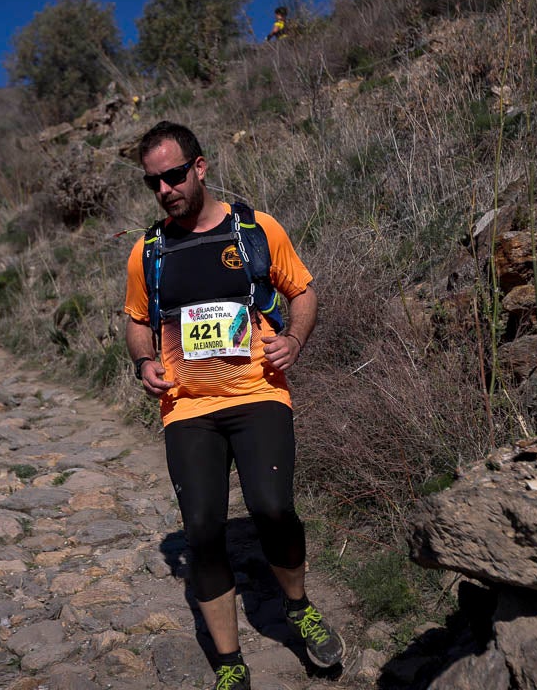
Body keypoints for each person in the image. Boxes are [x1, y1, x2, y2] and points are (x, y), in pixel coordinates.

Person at [124, 121, 343, 690]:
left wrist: (293, 340)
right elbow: (136, 320)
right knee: (201, 528)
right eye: (153, 182)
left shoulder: (256, 229)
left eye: (173, 175)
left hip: (257, 391)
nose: (165, 189)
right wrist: (144, 362)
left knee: (273, 507)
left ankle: (298, 607)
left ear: (200, 167)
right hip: (187, 407)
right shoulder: (148, 251)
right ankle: (228, 663)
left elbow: (302, 292)